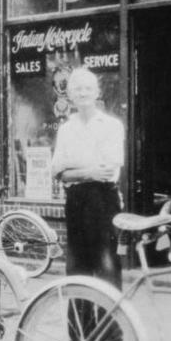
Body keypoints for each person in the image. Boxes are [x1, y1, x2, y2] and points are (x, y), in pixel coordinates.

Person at [49, 67, 124, 289]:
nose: (83, 93)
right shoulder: (66, 129)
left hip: (103, 200)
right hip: (76, 201)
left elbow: (108, 171)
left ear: (97, 92)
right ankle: (80, 324)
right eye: (77, 89)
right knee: (76, 268)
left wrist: (74, 170)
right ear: (70, 94)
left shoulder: (112, 126)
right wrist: (89, 171)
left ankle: (109, 324)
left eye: (88, 88)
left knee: (106, 265)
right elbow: (58, 173)